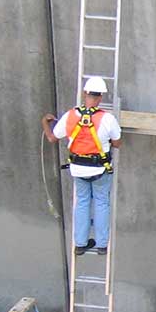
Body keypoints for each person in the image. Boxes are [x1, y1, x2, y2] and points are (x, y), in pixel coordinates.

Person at [42, 76, 121, 255]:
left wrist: (44, 122)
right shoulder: (107, 119)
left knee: (82, 203)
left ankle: (80, 243)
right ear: (100, 97)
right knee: (101, 202)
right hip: (100, 169)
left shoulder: (70, 116)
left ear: (85, 93)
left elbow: (52, 138)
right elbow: (117, 143)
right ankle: (102, 245)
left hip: (78, 169)